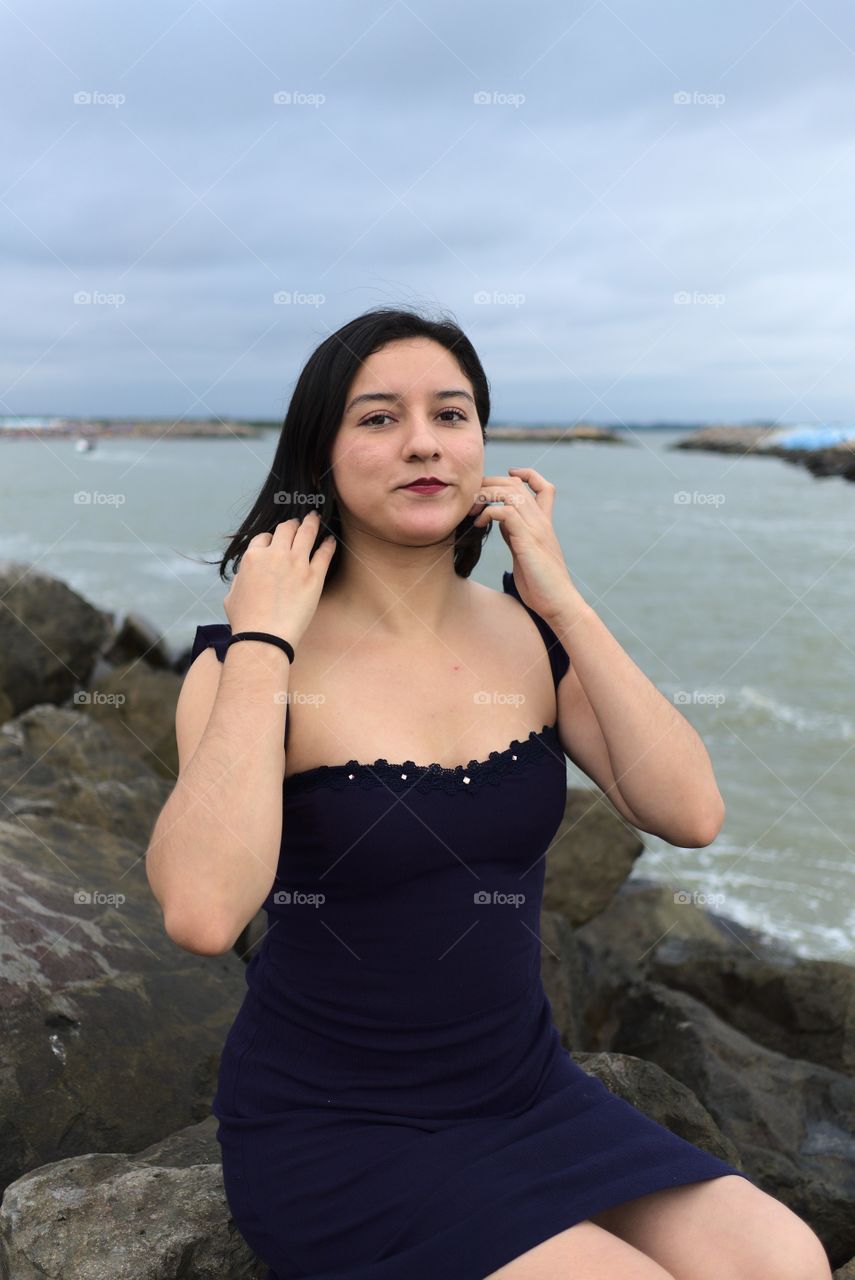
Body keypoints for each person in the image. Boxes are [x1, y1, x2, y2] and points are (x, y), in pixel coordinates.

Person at [145, 307, 832, 1280]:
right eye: (378, 417)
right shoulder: (250, 663)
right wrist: (264, 636)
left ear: (483, 445)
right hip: (339, 1131)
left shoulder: (527, 639)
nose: (423, 439)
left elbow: (690, 810)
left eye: (452, 413)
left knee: (786, 1259)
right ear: (322, 454)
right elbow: (204, 910)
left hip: (525, 1092)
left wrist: (560, 597)